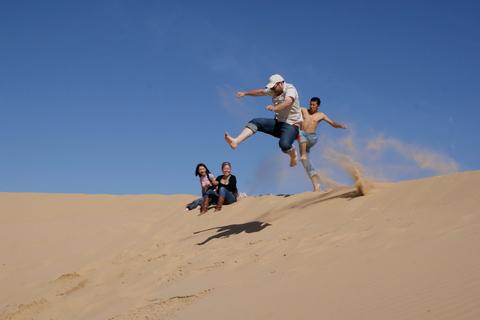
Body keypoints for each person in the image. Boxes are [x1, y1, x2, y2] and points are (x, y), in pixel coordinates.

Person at [225, 74, 303, 167]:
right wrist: (245, 93)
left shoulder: (290, 89)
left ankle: (293, 154)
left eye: (274, 88)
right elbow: (260, 92)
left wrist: (275, 108)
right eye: (271, 88)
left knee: (284, 145)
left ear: (281, 83)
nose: (273, 90)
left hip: (291, 126)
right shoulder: (274, 90)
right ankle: (236, 141)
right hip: (278, 124)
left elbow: (287, 102)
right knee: (256, 122)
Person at [298, 97, 347, 191]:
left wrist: (340, 126)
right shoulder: (303, 110)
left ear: (318, 106)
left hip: (312, 138)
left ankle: (303, 154)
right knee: (305, 163)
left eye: (314, 105)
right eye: (310, 104)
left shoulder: (320, 115)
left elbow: (332, 123)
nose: (311, 107)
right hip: (303, 141)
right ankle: (316, 185)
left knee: (300, 133)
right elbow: (292, 107)